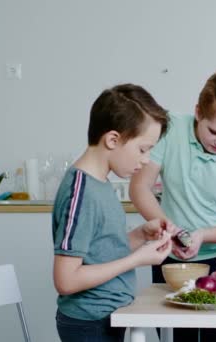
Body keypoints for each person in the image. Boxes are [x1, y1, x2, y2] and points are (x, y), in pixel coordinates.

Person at [129, 70, 216, 342]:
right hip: (172, 258)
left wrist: (202, 235)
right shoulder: (169, 130)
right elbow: (139, 187)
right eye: (215, 132)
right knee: (177, 337)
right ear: (198, 112)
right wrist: (171, 230)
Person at [52, 84, 174, 342]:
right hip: (88, 323)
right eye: (143, 149)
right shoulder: (81, 193)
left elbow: (98, 252)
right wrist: (136, 260)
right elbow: (66, 279)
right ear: (112, 140)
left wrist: (140, 236)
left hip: (107, 316)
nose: (146, 160)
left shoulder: (100, 184)